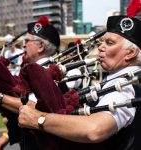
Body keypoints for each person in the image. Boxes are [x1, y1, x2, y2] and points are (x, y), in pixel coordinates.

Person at [18, 15, 141, 150]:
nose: (101, 47)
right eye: (102, 42)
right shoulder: (119, 80)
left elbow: (95, 130)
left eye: (110, 43)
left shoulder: (125, 85)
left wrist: (38, 119)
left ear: (131, 53)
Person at [0, 15, 61, 150]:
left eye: (27, 41)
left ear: (40, 46)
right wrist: (7, 134)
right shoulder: (36, 71)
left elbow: (33, 107)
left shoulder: (49, 72)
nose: (23, 45)